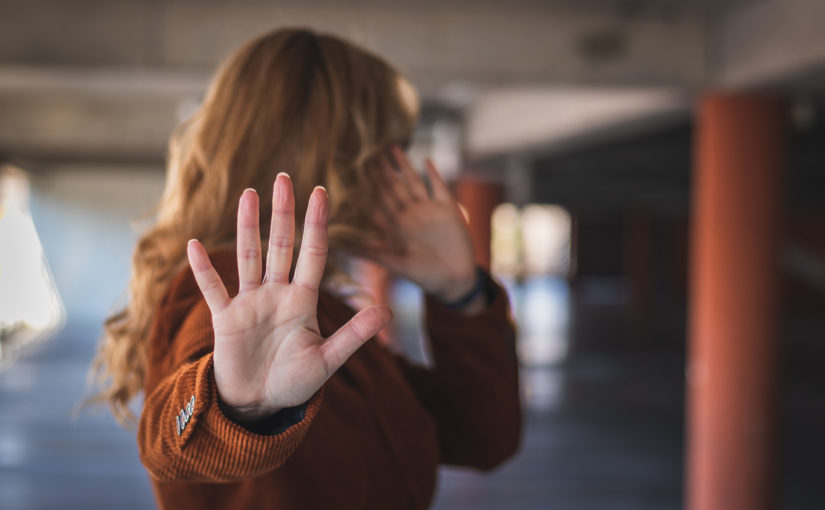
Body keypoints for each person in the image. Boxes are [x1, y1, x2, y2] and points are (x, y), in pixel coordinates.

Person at [93, 27, 521, 510]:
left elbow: (480, 438)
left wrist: (459, 292)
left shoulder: (312, 306)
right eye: (390, 148)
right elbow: (169, 447)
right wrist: (241, 409)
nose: (400, 172)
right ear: (339, 157)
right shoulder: (237, 295)